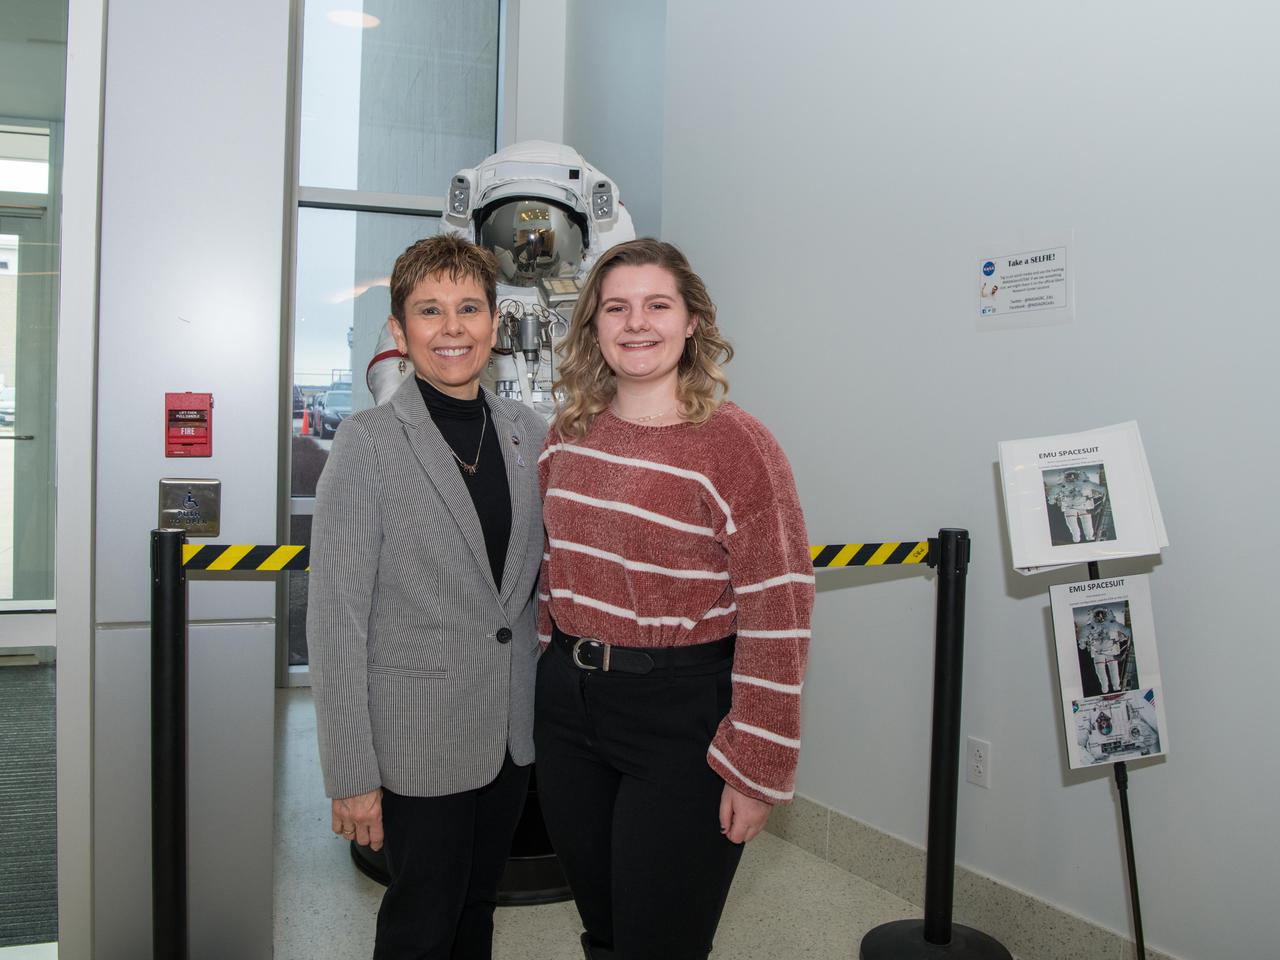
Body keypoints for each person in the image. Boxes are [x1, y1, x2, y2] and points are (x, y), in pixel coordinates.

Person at [533, 238, 815, 960]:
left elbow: (779, 611)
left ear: (692, 321)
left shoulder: (737, 447)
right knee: (605, 930)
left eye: (658, 305)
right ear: (593, 324)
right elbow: (553, 567)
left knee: (660, 943)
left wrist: (757, 765)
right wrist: (547, 668)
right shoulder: (567, 436)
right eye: (617, 307)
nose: (637, 323)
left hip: (683, 718)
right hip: (569, 708)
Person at [307, 234, 548, 960]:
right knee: (421, 923)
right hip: (416, 741)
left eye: (469, 308)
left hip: (508, 734)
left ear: (494, 322)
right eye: (430, 310)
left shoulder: (529, 436)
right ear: (399, 331)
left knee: (477, 912)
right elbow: (336, 621)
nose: (453, 328)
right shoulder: (368, 442)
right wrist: (350, 774)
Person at [1078, 606, 1132, 694]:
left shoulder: (1112, 624)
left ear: (1106, 614)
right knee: (1101, 672)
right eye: (1097, 615)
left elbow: (1127, 631)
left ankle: (1116, 687)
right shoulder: (1090, 627)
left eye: (1101, 614)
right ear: (1093, 615)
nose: (1100, 617)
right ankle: (1105, 689)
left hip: (1111, 651)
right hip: (1098, 652)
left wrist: (1125, 636)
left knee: (1113, 670)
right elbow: (1082, 638)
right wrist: (1082, 644)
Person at [1047, 469, 1105, 543]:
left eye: (1073, 475)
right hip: (1071, 507)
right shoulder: (1061, 486)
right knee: (1074, 526)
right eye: (1069, 475)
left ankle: (1089, 537)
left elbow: (1101, 489)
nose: (1072, 477)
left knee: (1087, 523)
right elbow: (1052, 495)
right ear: (1065, 477)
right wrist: (1052, 500)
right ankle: (1078, 539)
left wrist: (1103, 492)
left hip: (1083, 506)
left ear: (1078, 476)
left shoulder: (1086, 484)